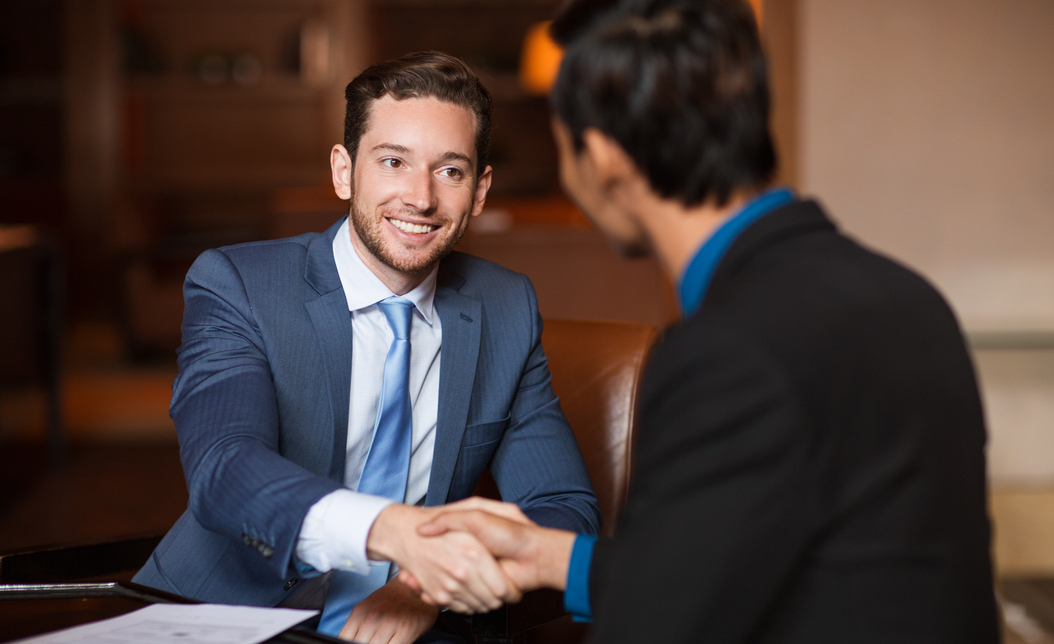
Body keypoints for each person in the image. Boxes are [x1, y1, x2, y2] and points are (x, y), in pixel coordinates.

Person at [407, 2, 1001, 642]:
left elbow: (663, 626)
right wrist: (549, 557)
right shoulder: (909, 298)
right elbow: (774, 566)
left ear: (603, 156)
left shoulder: (729, 352)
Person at [132, 51, 600, 644]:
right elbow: (224, 469)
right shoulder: (240, 285)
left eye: (450, 171)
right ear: (344, 171)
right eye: (393, 162)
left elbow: (564, 508)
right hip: (226, 618)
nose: (421, 197)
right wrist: (391, 529)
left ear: (480, 190)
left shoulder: (508, 307)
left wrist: (423, 586)